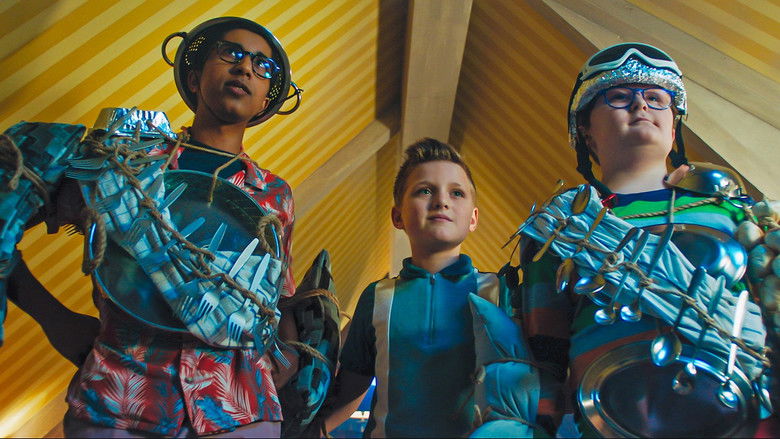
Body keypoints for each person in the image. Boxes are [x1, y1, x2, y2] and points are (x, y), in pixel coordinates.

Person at [2, 16, 309, 437]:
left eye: (262, 65)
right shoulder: (122, 163)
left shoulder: (276, 196)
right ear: (194, 77)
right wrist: (53, 318)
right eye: (231, 53)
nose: (245, 68)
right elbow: (8, 210)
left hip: (241, 411)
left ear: (264, 103)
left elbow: (278, 297)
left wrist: (288, 356)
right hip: (120, 404)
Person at [512, 42, 775, 437]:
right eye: (619, 97)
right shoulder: (560, 224)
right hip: (607, 415)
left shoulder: (734, 211)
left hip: (742, 414)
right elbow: (543, 355)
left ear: (674, 126)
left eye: (656, 98)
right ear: (585, 129)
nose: (640, 105)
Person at [319, 138, 516, 438]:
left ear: (473, 218)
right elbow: (352, 387)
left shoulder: (499, 292)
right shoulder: (377, 296)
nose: (441, 201)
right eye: (425, 190)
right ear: (397, 216)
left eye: (457, 193)